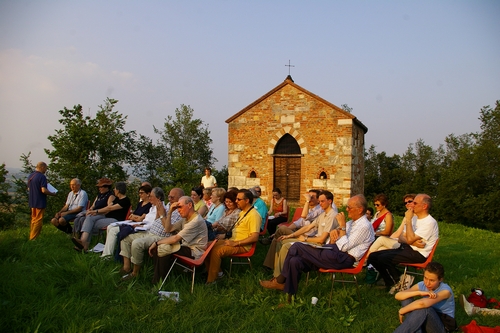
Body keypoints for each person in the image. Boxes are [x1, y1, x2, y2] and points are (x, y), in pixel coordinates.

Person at [260, 194, 374, 302]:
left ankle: (280, 280)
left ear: (359, 209)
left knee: (297, 247)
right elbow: (336, 238)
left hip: (344, 258)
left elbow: (344, 247)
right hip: (333, 251)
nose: (347, 209)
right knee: (295, 261)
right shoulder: (352, 222)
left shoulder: (364, 225)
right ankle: (290, 298)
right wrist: (337, 231)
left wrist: (342, 227)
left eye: (350, 207)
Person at [261, 190, 338, 284]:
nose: (320, 203)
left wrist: (305, 239)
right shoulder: (323, 214)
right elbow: (307, 226)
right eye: (320, 201)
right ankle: (277, 275)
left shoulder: (331, 215)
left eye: (322, 201)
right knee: (281, 241)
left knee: (286, 245)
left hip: (318, 244)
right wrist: (290, 235)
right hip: (310, 239)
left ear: (329, 201)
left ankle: (279, 280)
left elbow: (322, 239)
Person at [368, 194, 439, 294]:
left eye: (415, 203)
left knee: (383, 258)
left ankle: (396, 281)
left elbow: (409, 238)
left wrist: (409, 222)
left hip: (418, 254)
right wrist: (412, 241)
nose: (412, 205)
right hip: (407, 248)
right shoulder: (415, 219)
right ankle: (398, 279)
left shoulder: (429, 222)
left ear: (424, 206)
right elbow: (401, 237)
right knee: (373, 256)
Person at [119, 188, 184, 280]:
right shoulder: (168, 205)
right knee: (126, 237)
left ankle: (135, 273)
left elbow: (167, 228)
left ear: (180, 197)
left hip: (161, 237)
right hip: (150, 232)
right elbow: (157, 220)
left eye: (172, 197)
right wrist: (159, 212)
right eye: (169, 196)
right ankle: (126, 267)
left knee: (137, 243)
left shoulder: (180, 212)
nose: (169, 199)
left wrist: (162, 214)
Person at [205, 189, 261, 284]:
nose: (236, 201)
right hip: (232, 240)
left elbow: (255, 237)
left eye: (238, 199)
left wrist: (235, 243)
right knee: (206, 246)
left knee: (216, 251)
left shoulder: (253, 215)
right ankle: (218, 274)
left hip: (242, 245)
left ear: (247, 201)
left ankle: (211, 281)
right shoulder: (243, 212)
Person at [148, 196, 208, 284]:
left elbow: (176, 238)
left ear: (190, 205)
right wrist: (170, 213)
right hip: (186, 247)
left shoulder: (196, 221)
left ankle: (158, 283)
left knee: (163, 248)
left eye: (180, 207)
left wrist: (156, 243)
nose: (178, 210)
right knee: (161, 247)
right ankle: (158, 281)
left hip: (194, 252)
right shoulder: (185, 219)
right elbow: (168, 229)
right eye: (176, 208)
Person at [394, 262, 457, 333]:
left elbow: (422, 304)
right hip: (425, 322)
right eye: (425, 278)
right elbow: (398, 295)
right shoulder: (422, 284)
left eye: (432, 280)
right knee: (406, 299)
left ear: (440, 280)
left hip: (441, 327)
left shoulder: (445, 291)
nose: (427, 283)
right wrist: (419, 292)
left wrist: (402, 310)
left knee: (424, 309)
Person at [72, 182, 131, 252]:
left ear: (118, 190)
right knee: (90, 219)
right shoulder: (117, 199)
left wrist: (96, 211)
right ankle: (84, 245)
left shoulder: (125, 200)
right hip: (107, 218)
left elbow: (110, 208)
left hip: (115, 220)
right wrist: (94, 212)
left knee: (90, 223)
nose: (114, 190)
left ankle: (83, 244)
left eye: (115, 189)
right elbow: (108, 207)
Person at [100, 185, 153, 258]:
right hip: (131, 222)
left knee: (113, 231)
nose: (140, 195)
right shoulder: (140, 203)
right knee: (110, 226)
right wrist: (134, 217)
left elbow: (141, 219)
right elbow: (132, 216)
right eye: (139, 193)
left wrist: (135, 217)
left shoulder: (150, 205)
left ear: (148, 194)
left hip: (137, 225)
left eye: (142, 193)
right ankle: (108, 251)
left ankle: (107, 255)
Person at [27, 161, 56, 240]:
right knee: (38, 220)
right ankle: (33, 238)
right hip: (40, 201)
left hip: (32, 200)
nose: (45, 170)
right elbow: (43, 190)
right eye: (45, 168)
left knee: (33, 219)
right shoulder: (42, 177)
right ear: (42, 167)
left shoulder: (30, 176)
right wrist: (52, 194)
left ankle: (31, 235)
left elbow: (29, 188)